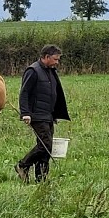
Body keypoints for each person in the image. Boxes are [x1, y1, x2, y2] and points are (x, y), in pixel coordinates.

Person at [15, 44, 71, 183]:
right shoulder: (33, 71)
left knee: (47, 147)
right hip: (36, 115)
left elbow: (53, 93)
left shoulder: (51, 71)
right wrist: (25, 113)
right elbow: (24, 93)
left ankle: (41, 178)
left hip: (48, 115)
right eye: (55, 59)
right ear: (46, 57)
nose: (57, 62)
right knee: (45, 145)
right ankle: (22, 165)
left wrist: (55, 114)